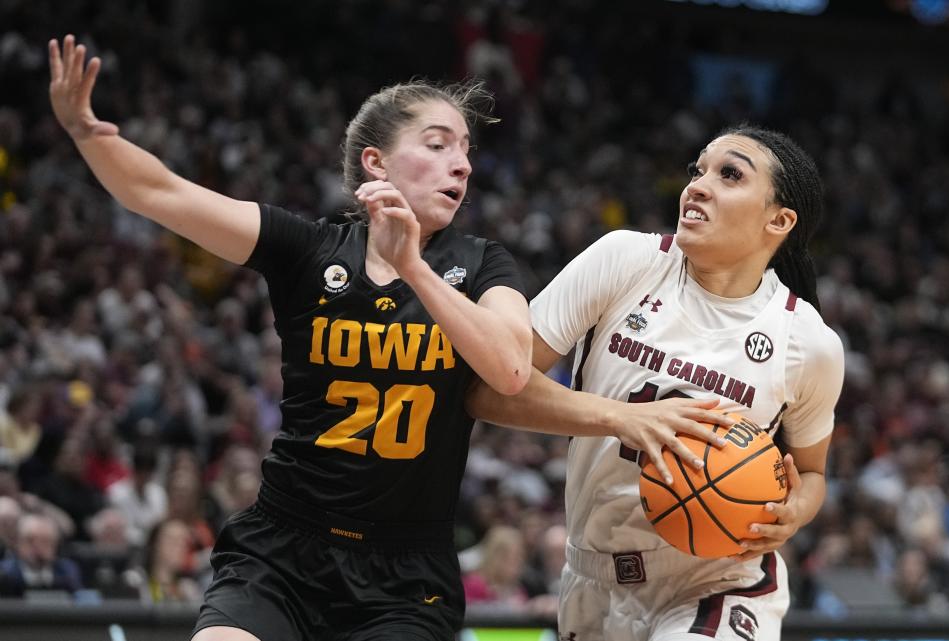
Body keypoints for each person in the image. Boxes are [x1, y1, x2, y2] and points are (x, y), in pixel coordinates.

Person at [48, 35, 531, 641]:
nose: (461, 163)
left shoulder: (485, 264)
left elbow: (511, 369)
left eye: (466, 150)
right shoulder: (308, 249)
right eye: (437, 145)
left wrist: (414, 268)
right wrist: (87, 132)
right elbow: (161, 193)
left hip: (405, 576)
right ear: (376, 163)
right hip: (284, 548)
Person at [467, 126, 844, 640]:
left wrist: (793, 512)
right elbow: (487, 389)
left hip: (719, 579)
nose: (698, 185)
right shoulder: (626, 260)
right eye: (699, 170)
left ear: (778, 220)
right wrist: (622, 418)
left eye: (729, 174)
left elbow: (812, 473)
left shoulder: (807, 341)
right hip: (592, 577)